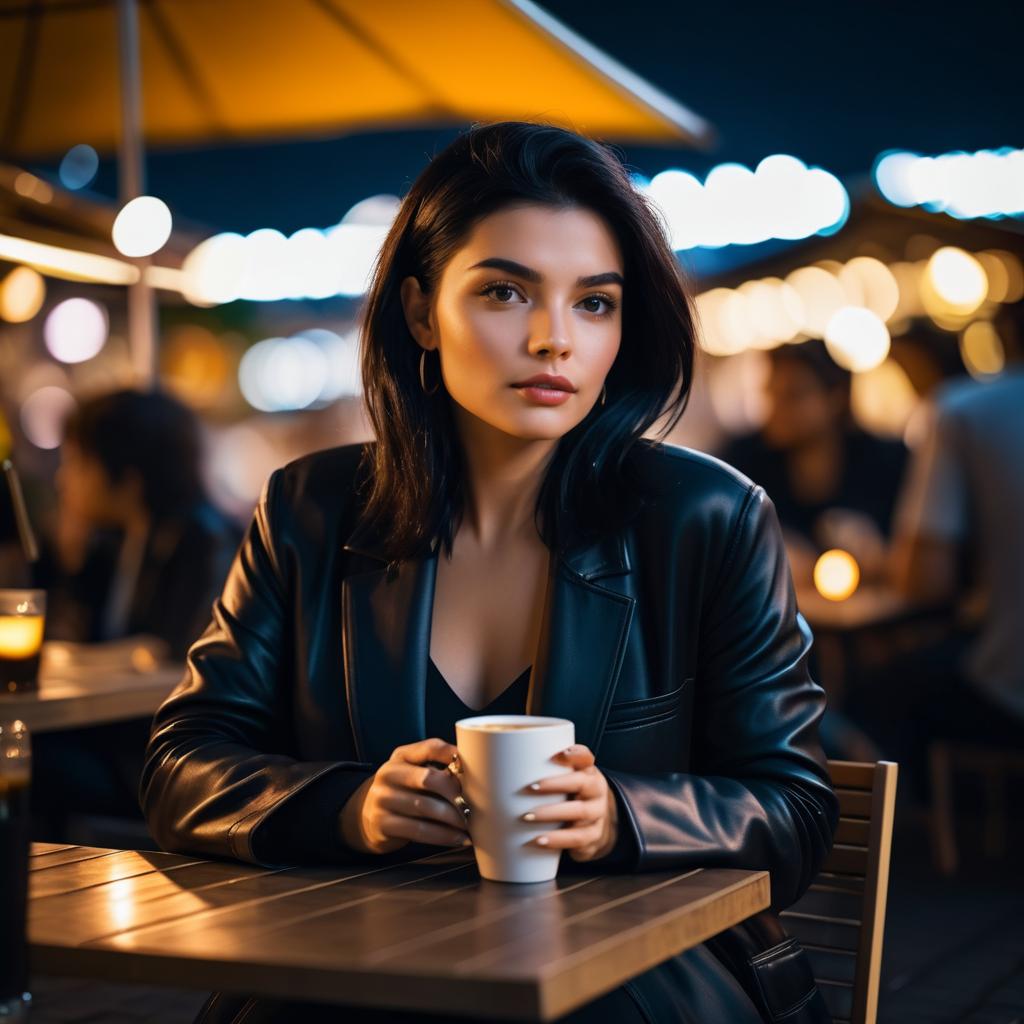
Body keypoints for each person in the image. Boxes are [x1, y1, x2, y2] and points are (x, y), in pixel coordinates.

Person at [142, 122, 838, 1024]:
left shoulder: (708, 518)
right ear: (423, 311)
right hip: (355, 964)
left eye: (594, 303)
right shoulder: (310, 509)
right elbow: (178, 765)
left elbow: (795, 809)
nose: (555, 340)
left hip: (624, 978)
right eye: (507, 292)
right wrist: (351, 808)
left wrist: (619, 816)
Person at [30, 389, 241, 841]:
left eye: (77, 463)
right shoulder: (116, 541)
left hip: (160, 757)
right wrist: (67, 561)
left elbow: (176, 654)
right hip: (116, 740)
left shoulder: (202, 541)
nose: (64, 480)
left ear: (127, 477)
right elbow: (78, 635)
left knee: (26, 758)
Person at [864, 302, 1024, 799]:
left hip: (1008, 690)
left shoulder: (964, 410)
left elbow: (923, 580)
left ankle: (909, 846)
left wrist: (875, 558)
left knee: (873, 692)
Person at [721, 340, 908, 590]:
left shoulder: (886, 460)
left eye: (793, 396)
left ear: (835, 398)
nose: (776, 408)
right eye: (771, 393)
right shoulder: (743, 462)